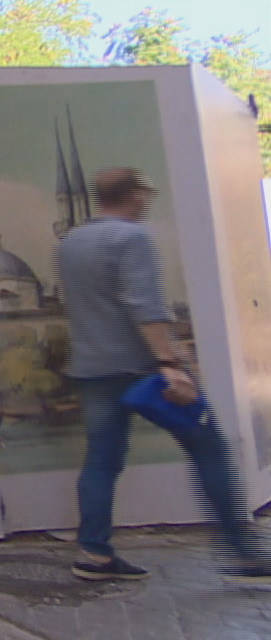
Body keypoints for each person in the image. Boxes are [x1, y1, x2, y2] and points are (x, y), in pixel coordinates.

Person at [57, 167, 270, 583]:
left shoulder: (71, 242)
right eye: (144, 192)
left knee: (101, 461)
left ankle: (94, 553)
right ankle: (242, 552)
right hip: (144, 371)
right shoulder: (132, 238)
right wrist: (170, 364)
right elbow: (145, 306)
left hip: (92, 369)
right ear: (133, 194)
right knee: (208, 447)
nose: (146, 199)